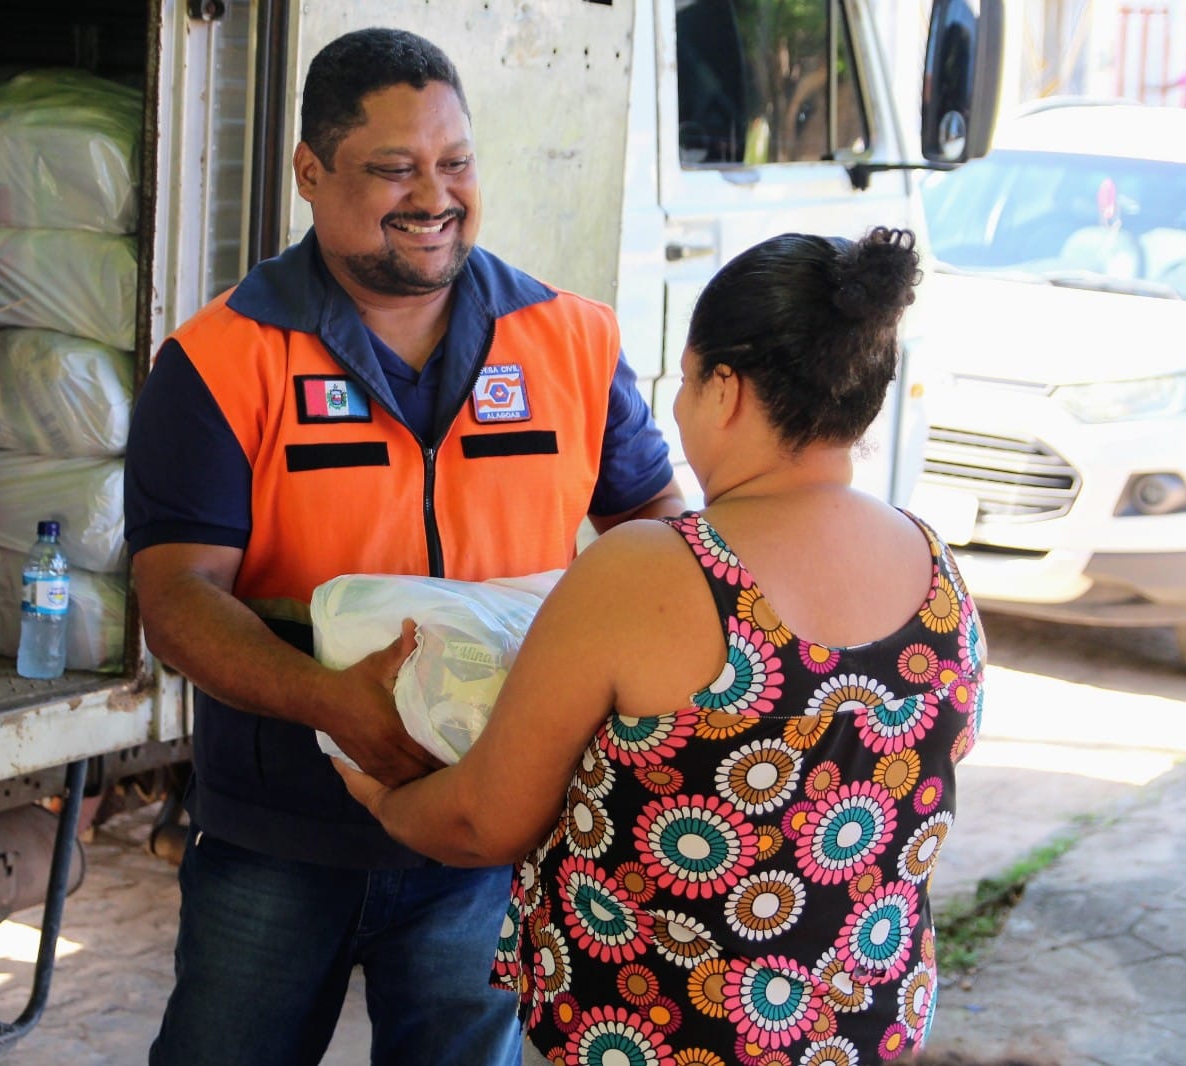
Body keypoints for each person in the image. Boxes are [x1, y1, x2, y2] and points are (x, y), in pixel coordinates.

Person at [124, 26, 685, 1066]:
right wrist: (327, 699)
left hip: (492, 833)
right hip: (280, 832)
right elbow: (176, 596)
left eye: (455, 162)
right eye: (394, 168)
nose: (435, 195)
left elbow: (658, 539)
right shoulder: (218, 360)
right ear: (309, 172)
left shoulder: (569, 338)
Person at [337, 227, 986, 1065]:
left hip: (661, 1040)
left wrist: (380, 797)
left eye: (683, 379)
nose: (679, 407)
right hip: (864, 1038)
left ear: (726, 388)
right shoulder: (939, 572)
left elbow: (482, 819)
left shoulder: (657, 568)